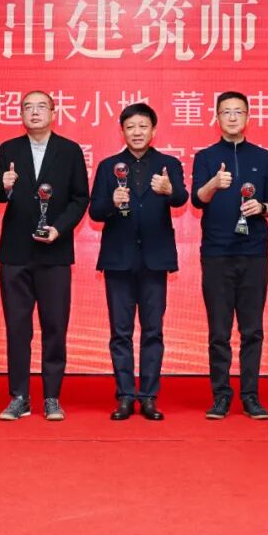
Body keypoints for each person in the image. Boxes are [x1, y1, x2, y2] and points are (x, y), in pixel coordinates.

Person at [0, 90, 89, 421]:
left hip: (55, 251)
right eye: (28, 108)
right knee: (17, 327)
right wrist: (4, 185)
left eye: (41, 107)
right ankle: (19, 396)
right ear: (21, 114)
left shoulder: (70, 150)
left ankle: (51, 396)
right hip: (15, 252)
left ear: (53, 112)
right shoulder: (9, 149)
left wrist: (59, 229)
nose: (34, 112)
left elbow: (80, 198)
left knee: (55, 326)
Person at [89, 103, 188, 421]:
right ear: (122, 131)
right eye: (130, 127)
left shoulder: (168, 164)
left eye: (143, 126)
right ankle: (124, 396)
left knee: (153, 331)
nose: (137, 132)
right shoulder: (108, 166)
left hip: (155, 259)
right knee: (120, 332)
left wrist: (170, 190)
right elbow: (94, 211)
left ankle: (148, 397)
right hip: (118, 259)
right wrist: (111, 202)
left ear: (153, 130)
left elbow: (182, 198)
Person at [191, 91, 268, 420]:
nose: (232, 117)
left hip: (254, 253)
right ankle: (221, 396)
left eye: (238, 112)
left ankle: (251, 396)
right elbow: (197, 199)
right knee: (219, 331)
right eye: (226, 112)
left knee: (252, 330)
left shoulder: (263, 157)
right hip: (216, 253)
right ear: (217, 118)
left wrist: (263, 207)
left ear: (247, 117)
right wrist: (214, 183)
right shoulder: (205, 157)